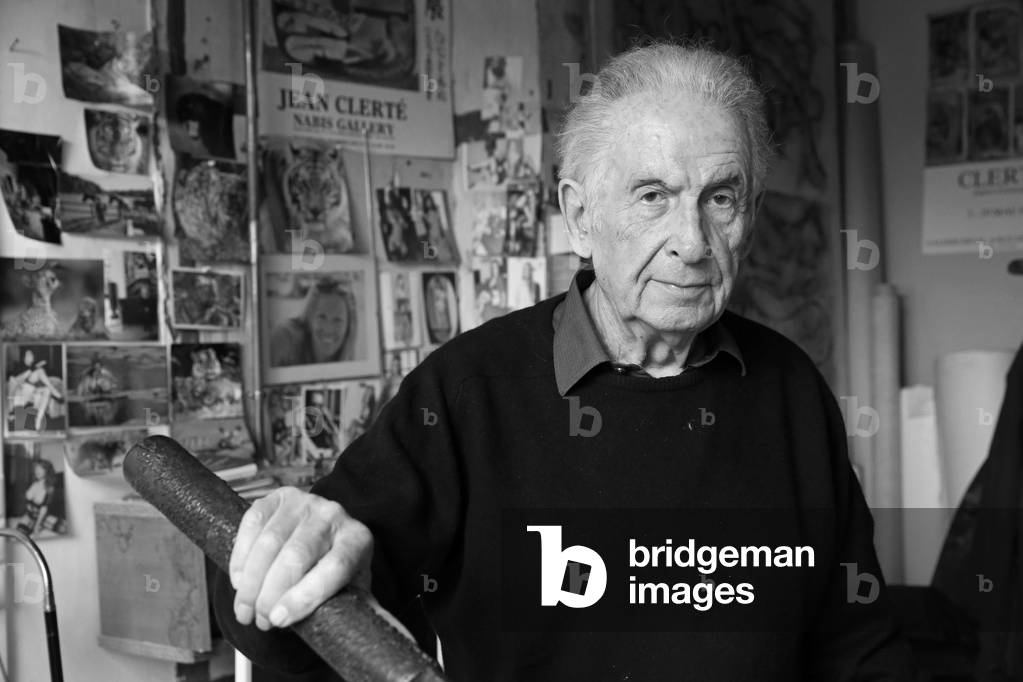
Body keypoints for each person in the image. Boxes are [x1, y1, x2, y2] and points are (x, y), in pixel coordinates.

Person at [216, 43, 914, 681]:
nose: (693, 243)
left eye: (720, 198)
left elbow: (854, 642)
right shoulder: (468, 393)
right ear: (579, 218)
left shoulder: (791, 390)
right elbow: (291, 621)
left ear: (751, 212)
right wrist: (279, 554)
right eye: (653, 197)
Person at [269, 278, 357, 366]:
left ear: (348, 327)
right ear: (310, 318)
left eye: (338, 320)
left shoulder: (349, 361)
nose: (328, 328)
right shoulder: (284, 338)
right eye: (321, 317)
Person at [17, 456, 65, 537]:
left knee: (63, 528)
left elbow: (44, 509)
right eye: (36, 468)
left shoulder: (49, 487)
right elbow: (28, 499)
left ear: (47, 471)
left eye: (40, 468)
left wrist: (37, 525)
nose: (36, 471)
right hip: (30, 515)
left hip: (43, 517)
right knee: (18, 533)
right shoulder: (35, 484)